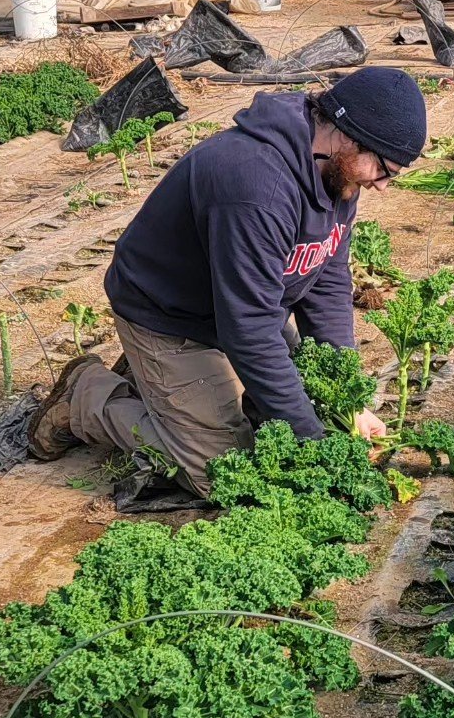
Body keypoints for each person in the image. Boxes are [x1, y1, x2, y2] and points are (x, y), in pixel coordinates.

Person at [26, 66, 428, 496]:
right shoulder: (257, 187)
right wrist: (316, 440)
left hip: (236, 305)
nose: (383, 185)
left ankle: (165, 388)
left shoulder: (336, 171)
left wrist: (348, 399)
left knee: (292, 411)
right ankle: (86, 398)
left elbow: (327, 277)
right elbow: (250, 331)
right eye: (385, 169)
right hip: (168, 314)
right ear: (349, 136)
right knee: (224, 474)